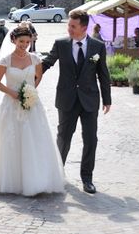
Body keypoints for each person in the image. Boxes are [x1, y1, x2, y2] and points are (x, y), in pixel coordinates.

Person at [0, 26, 64, 196]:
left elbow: (38, 76)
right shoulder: (6, 60)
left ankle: (36, 178)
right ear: (13, 40)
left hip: (31, 104)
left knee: (34, 139)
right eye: (21, 42)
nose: (24, 45)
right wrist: (13, 93)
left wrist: (30, 93)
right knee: (8, 140)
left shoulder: (35, 59)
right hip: (10, 104)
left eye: (27, 42)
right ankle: (10, 179)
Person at [41, 10, 111, 194]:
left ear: (84, 27)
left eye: (73, 26)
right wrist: (28, 74)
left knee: (90, 139)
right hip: (67, 99)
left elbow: (103, 73)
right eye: (68, 25)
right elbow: (47, 63)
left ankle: (87, 179)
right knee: (63, 137)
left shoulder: (98, 46)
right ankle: (57, 175)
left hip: (90, 100)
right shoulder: (61, 44)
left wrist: (107, 99)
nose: (69, 29)